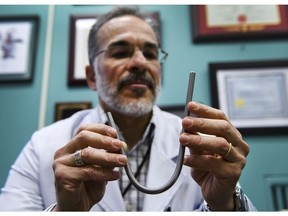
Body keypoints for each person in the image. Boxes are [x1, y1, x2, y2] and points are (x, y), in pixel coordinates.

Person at [0, 6, 256, 211]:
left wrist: (224, 205)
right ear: (91, 77)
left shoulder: (202, 147)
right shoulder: (43, 145)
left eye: (151, 53)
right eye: (121, 52)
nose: (139, 62)